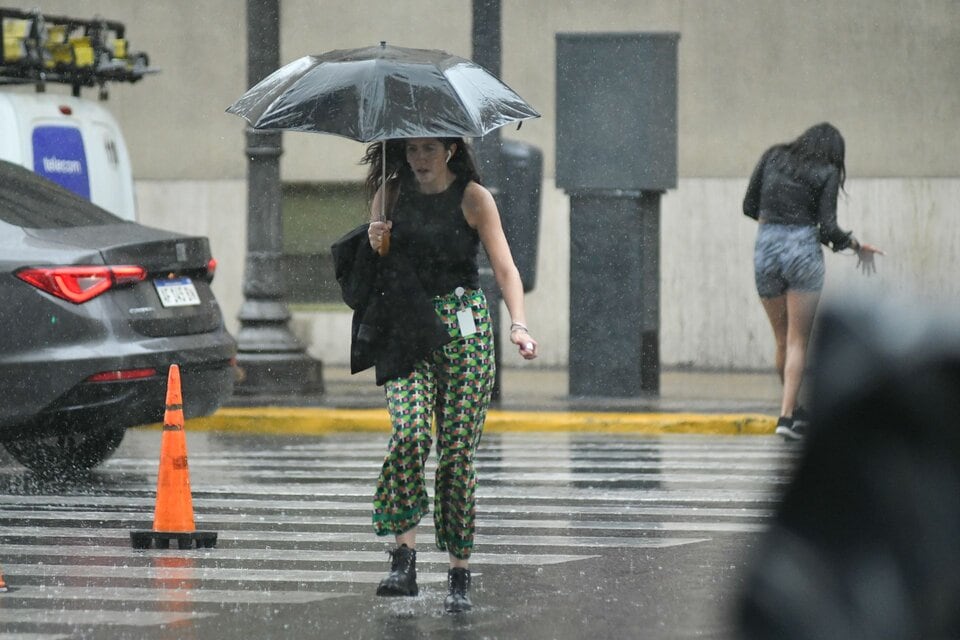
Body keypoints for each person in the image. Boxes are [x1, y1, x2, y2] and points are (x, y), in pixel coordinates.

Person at [361, 136, 538, 613]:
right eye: (412, 150)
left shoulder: (474, 198)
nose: (419, 159)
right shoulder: (390, 194)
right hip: (407, 326)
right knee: (411, 432)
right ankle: (404, 559)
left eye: (429, 150)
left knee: (457, 455)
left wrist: (518, 325)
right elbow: (371, 275)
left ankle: (459, 571)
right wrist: (375, 244)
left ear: (451, 152)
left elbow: (504, 268)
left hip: (464, 328)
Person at [742, 123, 883, 441]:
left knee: (781, 340)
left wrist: (777, 224)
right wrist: (857, 246)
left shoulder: (773, 156)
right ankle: (786, 417)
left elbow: (748, 206)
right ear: (835, 152)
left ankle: (794, 410)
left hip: (765, 247)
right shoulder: (828, 169)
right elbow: (829, 227)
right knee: (798, 341)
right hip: (802, 251)